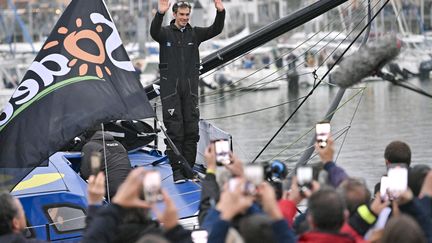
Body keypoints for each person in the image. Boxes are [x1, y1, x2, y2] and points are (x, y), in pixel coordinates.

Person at [150, 0, 225, 183]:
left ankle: (188, 169)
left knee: (191, 131)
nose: (184, 18)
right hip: (171, 91)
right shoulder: (165, 34)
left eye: (186, 15)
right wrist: (160, 13)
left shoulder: (195, 33)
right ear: (174, 14)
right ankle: (177, 171)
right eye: (181, 15)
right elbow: (153, 32)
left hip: (190, 90)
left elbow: (216, 29)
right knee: (176, 131)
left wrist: (220, 10)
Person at [80, 131, 132, 198]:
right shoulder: (119, 144)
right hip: (129, 188)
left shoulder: (90, 146)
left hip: (111, 191)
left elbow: (86, 173)